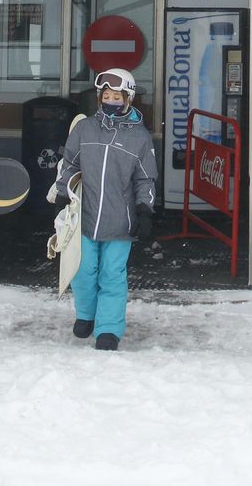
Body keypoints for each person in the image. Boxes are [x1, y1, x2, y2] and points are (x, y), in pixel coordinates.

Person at [48, 67, 158, 351]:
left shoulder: (140, 138)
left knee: (112, 274)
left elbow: (145, 178)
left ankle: (108, 329)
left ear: (128, 99)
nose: (110, 101)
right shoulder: (85, 129)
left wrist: (144, 209)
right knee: (83, 270)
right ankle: (86, 314)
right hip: (85, 215)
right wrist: (62, 194)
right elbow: (70, 163)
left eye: (116, 97)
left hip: (121, 222)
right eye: (105, 96)